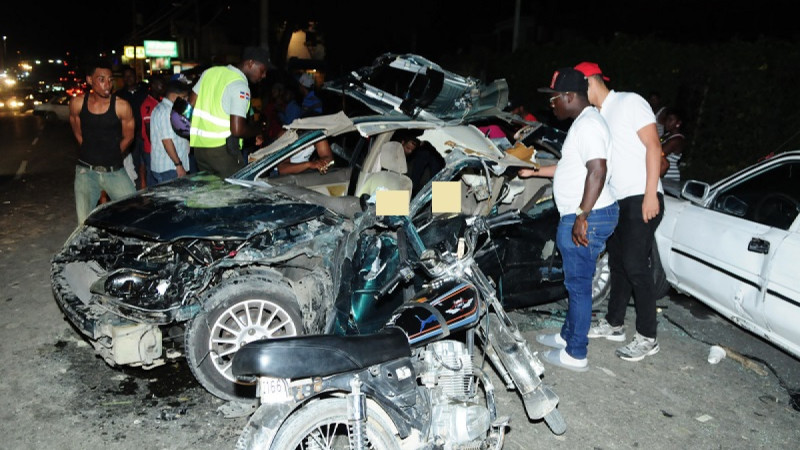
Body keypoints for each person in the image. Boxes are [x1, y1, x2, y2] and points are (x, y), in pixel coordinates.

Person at [518, 67, 618, 372]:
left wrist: (581, 216)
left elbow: (597, 171)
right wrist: (534, 171)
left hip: (590, 215)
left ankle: (576, 353)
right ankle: (568, 336)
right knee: (576, 284)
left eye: (553, 99)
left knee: (578, 287)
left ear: (569, 96)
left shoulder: (588, 126)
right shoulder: (583, 124)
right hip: (588, 212)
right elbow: (570, 166)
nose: (552, 105)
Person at [576, 62, 665, 362]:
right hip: (618, 201)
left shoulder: (629, 101)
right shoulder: (598, 118)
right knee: (618, 265)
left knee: (635, 264)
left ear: (589, 81)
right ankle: (615, 324)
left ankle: (648, 336)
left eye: (578, 86)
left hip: (642, 194)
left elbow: (654, 147)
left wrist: (651, 193)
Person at [68, 58, 137, 224]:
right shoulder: (77, 103)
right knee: (84, 223)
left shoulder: (121, 106)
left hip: (114, 170)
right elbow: (77, 131)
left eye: (110, 80)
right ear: (90, 80)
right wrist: (90, 150)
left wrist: (112, 152)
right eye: (101, 79)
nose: (107, 84)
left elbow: (129, 136)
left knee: (134, 213)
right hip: (86, 172)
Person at [189, 46, 272, 178]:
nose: (264, 75)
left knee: (211, 193)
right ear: (250, 63)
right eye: (262, 70)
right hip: (222, 151)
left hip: (199, 148)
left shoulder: (210, 72)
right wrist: (259, 128)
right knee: (235, 192)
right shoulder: (240, 86)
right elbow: (237, 130)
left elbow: (191, 102)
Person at [150, 80, 192, 184]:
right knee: (176, 199)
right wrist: (178, 165)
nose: (186, 100)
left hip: (168, 167)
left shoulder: (161, 108)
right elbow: (167, 141)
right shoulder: (166, 112)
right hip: (170, 168)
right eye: (184, 97)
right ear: (174, 96)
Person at [115, 66, 148, 187]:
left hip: (146, 135)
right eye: (126, 76)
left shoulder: (145, 91)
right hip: (129, 137)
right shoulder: (119, 95)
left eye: (131, 75)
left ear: (136, 77)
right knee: (133, 166)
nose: (128, 78)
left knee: (147, 164)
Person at [139, 74, 167, 187]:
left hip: (155, 148)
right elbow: (148, 131)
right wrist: (158, 148)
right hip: (152, 149)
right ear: (153, 85)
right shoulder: (148, 104)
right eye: (161, 84)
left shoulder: (157, 101)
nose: (163, 86)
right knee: (154, 181)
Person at [660, 107, 686, 182]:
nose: (667, 123)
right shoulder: (666, 135)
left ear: (678, 123)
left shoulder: (677, 139)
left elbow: (660, 152)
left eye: (670, 120)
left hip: (668, 176)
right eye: (667, 119)